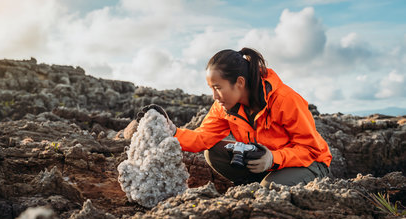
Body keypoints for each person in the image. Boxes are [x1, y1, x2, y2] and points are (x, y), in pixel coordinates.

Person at [138, 47, 332, 187]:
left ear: (239, 82)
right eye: (211, 89)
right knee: (212, 151)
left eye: (218, 88)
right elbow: (202, 138)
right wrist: (171, 130)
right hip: (266, 164)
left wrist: (273, 158)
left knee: (268, 190)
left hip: (310, 163)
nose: (214, 96)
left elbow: (311, 150)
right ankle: (256, 183)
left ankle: (267, 184)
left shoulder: (285, 100)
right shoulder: (223, 106)